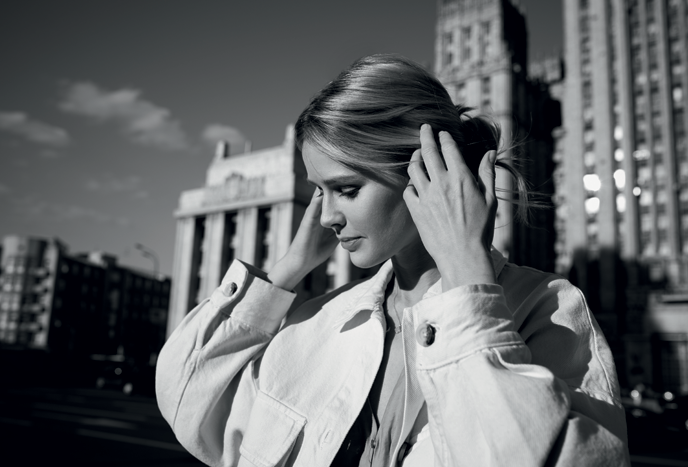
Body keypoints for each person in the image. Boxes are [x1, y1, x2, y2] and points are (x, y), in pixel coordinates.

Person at [156, 54, 629, 466]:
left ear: (426, 171)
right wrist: (288, 269)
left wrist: (466, 273)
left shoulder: (548, 308)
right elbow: (189, 405)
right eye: (319, 191)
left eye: (346, 189)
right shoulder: (317, 320)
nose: (325, 216)